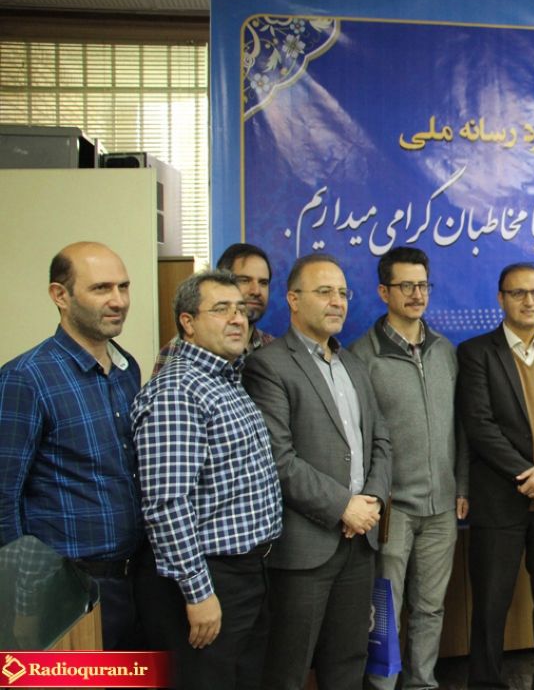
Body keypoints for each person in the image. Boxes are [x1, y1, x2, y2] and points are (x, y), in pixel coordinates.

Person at [242, 253, 392, 690]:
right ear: (293, 299)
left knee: (348, 661)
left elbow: (381, 442)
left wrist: (372, 500)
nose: (337, 302)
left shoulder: (354, 365)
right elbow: (278, 458)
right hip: (305, 548)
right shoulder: (269, 365)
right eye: (324, 292)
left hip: (359, 544)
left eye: (342, 293)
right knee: (288, 668)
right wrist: (344, 506)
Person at [131, 270, 282, 689]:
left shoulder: (225, 379)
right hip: (208, 578)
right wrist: (197, 592)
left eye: (241, 310)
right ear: (188, 322)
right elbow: (167, 503)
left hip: (247, 572)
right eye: (221, 309)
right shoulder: (178, 391)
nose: (237, 319)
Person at [0, 241, 143, 649]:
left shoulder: (126, 368)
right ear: (60, 296)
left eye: (123, 287)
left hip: (133, 580)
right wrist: (22, 602)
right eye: (101, 288)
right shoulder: (26, 378)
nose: (118, 301)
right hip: (65, 589)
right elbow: (4, 498)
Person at [457, 262, 534, 690]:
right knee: (490, 607)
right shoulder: (476, 353)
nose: (529, 301)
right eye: (518, 293)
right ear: (501, 299)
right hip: (500, 501)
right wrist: (528, 476)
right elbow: (480, 426)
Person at [349, 246, 468, 690]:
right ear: (384, 292)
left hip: (442, 510)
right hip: (392, 510)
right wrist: (374, 497)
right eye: (406, 286)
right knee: (384, 609)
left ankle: (422, 682)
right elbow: (358, 438)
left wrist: (462, 484)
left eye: (423, 285)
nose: (417, 294)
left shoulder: (444, 350)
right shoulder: (363, 356)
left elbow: (460, 426)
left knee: (430, 608)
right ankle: (382, 686)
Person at [153, 242, 275, 375]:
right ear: (222, 281)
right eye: (244, 280)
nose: (256, 291)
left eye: (263, 283)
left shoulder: (272, 347)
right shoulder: (177, 350)